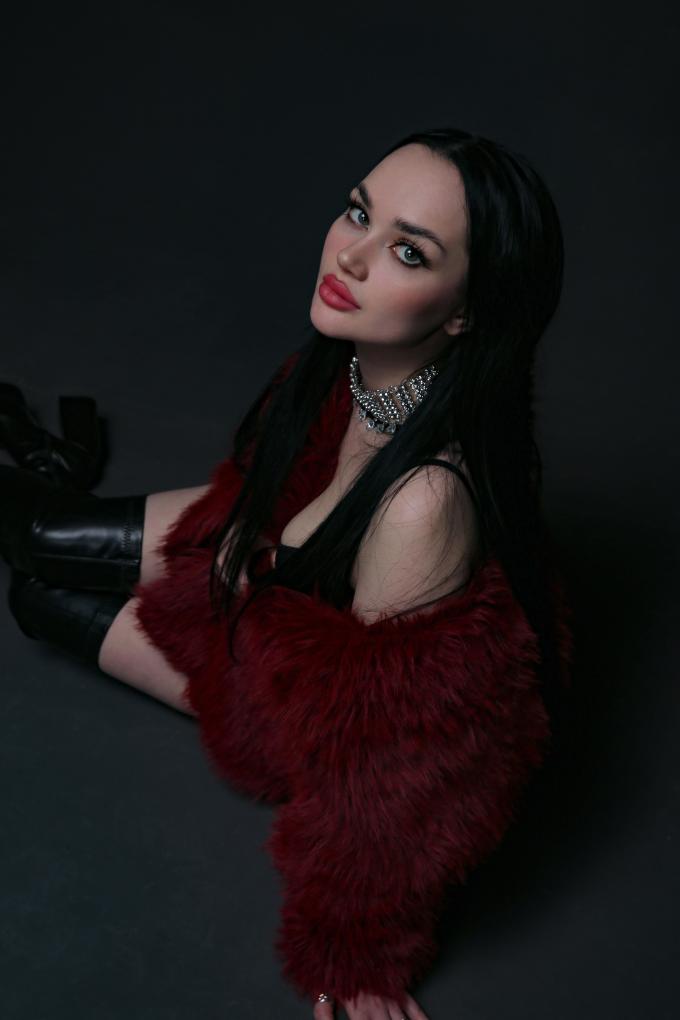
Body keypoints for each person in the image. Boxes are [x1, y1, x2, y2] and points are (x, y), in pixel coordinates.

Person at [0, 126, 574, 1020]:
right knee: (40, 536)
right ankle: (48, 474)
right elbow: (275, 488)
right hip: (257, 562)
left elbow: (397, 770)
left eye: (409, 252)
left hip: (272, 692)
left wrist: (358, 953)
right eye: (358, 212)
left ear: (466, 312)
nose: (350, 254)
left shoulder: (422, 506)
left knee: (31, 594)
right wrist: (249, 543)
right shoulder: (356, 364)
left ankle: (54, 487)